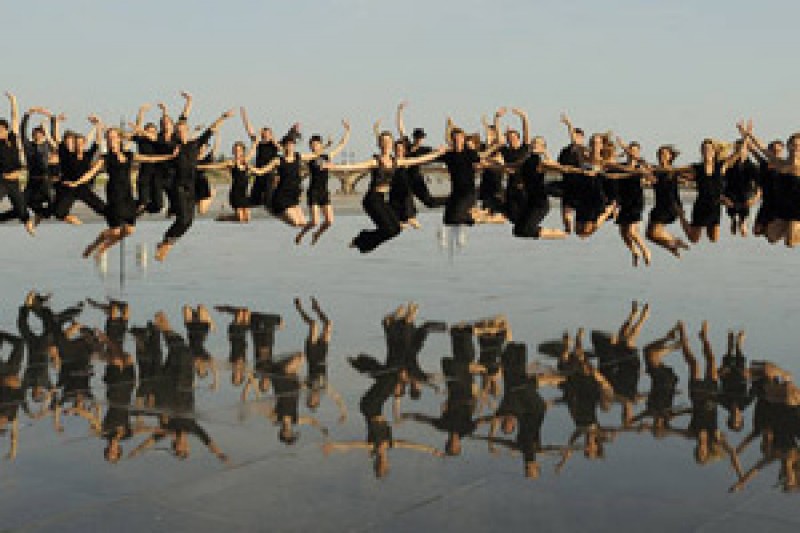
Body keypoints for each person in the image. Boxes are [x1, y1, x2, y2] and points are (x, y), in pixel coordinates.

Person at [323, 130, 446, 253]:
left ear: (392, 144)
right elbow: (355, 166)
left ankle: (363, 239)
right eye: (383, 141)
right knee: (390, 229)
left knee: (396, 230)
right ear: (380, 144)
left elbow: (418, 160)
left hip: (383, 199)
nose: (386, 144)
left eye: (389, 141)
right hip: (372, 199)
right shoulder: (376, 161)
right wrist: (334, 167)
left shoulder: (396, 162)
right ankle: (361, 239)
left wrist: (437, 154)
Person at [67, 124, 177, 258]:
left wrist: (169, 156)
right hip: (114, 195)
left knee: (129, 230)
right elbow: (91, 173)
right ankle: (94, 245)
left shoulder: (129, 155)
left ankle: (105, 247)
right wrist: (76, 182)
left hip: (128, 195)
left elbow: (150, 159)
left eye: (113, 137)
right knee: (115, 231)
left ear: (119, 139)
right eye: (108, 138)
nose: (111, 140)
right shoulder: (104, 158)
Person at [155, 108, 235, 262]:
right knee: (183, 219)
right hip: (178, 187)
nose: (181, 133)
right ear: (176, 133)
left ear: (188, 131)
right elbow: (157, 145)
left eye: (184, 130)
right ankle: (165, 243)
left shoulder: (195, 144)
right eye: (179, 131)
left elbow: (210, 130)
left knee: (189, 222)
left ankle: (166, 243)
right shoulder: (172, 146)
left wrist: (223, 117)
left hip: (192, 187)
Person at [737, 120, 800, 247]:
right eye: (793, 145)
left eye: (799, 145)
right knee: (771, 238)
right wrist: (748, 135)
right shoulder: (779, 163)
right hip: (784, 209)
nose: (796, 148)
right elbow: (762, 149)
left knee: (790, 243)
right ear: (788, 146)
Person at [295, 120, 350, 244]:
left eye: (317, 144)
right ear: (310, 146)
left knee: (329, 221)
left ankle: (317, 234)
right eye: (312, 144)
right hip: (313, 192)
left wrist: (347, 131)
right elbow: (298, 156)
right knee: (314, 221)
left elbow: (341, 145)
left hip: (324, 192)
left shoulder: (327, 156)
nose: (314, 146)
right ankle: (301, 234)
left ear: (320, 144)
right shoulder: (309, 158)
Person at [0, 92, 35, 235]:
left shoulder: (13, 138)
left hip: (14, 181)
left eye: (1, 130)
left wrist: (13, 101)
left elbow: (14, 117)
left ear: (6, 130)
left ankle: (27, 223)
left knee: (21, 209)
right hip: (1, 180)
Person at [198, 140, 257, 223]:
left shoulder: (245, 162)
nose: (237, 152)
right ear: (233, 152)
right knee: (240, 218)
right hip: (235, 193)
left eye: (239, 150)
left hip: (244, 193)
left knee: (247, 219)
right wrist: (199, 166)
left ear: (243, 151)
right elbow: (215, 166)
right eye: (235, 150)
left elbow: (253, 150)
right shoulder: (231, 163)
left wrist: (256, 139)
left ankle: (226, 218)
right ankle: (223, 218)